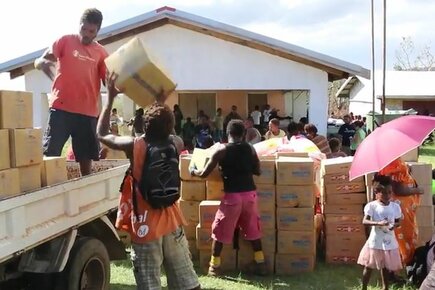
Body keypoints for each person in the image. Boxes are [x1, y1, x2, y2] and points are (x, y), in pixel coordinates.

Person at [97, 73, 200, 290]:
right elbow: (166, 127)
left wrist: (109, 99)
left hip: (145, 224)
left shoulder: (133, 146)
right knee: (186, 282)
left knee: (149, 284)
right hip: (173, 221)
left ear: (144, 124)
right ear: (171, 124)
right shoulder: (176, 142)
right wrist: (161, 103)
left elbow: (102, 134)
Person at [35, 8, 108, 176]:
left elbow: (109, 81)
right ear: (79, 25)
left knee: (86, 157)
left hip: (87, 112)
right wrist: (41, 64)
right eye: (83, 29)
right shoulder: (65, 41)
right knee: (50, 154)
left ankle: (85, 190)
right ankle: (47, 192)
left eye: (91, 31)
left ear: (97, 32)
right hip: (61, 109)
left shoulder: (102, 53)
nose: (86, 34)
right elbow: (40, 59)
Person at [191, 119, 267, 276]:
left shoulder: (221, 151)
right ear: (244, 134)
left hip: (232, 197)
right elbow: (258, 171)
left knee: (220, 231)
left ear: (228, 133)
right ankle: (261, 263)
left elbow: (204, 173)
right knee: (253, 230)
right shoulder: (250, 149)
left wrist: (193, 170)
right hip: (250, 196)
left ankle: (214, 266)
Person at [357, 174, 402, 290]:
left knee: (386, 266)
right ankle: (364, 287)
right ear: (376, 192)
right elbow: (364, 221)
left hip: (389, 240)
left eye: (389, 192)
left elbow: (398, 221)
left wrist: (393, 226)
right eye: (384, 193)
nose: (387, 195)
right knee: (369, 265)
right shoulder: (372, 206)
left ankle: (385, 287)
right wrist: (378, 223)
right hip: (376, 241)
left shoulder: (395, 206)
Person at [379, 158, 423, 267]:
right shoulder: (393, 164)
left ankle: (395, 264)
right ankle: (400, 263)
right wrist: (418, 190)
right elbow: (399, 190)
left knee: (395, 237)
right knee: (404, 237)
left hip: (396, 206)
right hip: (401, 208)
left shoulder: (386, 162)